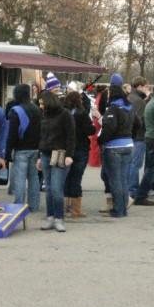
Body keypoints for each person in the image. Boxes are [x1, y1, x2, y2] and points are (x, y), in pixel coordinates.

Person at [98, 74, 136, 217]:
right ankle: (123, 209)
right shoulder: (129, 107)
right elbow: (138, 124)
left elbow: (109, 128)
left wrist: (100, 140)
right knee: (124, 179)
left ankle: (118, 210)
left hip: (114, 147)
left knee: (115, 181)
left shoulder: (113, 109)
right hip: (128, 145)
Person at [37, 91, 74, 232]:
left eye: (42, 103)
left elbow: (71, 135)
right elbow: (41, 135)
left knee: (56, 188)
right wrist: (39, 156)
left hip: (60, 153)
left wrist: (69, 155)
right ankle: (50, 217)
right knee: (49, 188)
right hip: (46, 153)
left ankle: (59, 218)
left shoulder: (65, 114)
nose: (40, 106)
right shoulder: (44, 115)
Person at [5, 83, 42, 213]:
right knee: (34, 178)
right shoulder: (37, 109)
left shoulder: (16, 111)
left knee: (20, 179)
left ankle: (18, 205)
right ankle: (34, 205)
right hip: (35, 149)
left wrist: (8, 152)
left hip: (21, 149)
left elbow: (12, 134)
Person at [63, 89, 92, 218]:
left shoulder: (64, 113)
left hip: (66, 149)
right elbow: (89, 130)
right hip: (81, 148)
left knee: (65, 178)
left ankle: (65, 205)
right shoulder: (82, 113)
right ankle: (76, 210)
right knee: (76, 178)